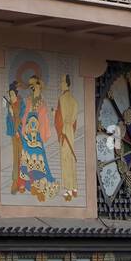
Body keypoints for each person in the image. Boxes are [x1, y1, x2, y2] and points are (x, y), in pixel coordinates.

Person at [18, 73, 58, 201]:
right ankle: (26, 184)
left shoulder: (42, 102)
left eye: (33, 85)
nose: (32, 87)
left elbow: (43, 119)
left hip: (37, 133)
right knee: (26, 159)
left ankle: (38, 184)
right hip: (28, 133)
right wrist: (23, 129)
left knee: (38, 158)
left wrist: (40, 131)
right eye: (30, 86)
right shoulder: (29, 99)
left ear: (39, 85)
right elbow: (25, 115)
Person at [54, 73, 79, 201]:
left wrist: (60, 132)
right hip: (70, 132)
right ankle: (74, 188)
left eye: (62, 82)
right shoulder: (74, 101)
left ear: (66, 83)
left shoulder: (62, 99)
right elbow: (75, 123)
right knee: (71, 159)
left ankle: (68, 190)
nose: (61, 84)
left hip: (64, 130)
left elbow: (58, 118)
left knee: (65, 161)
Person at [5, 81, 24, 193]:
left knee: (22, 158)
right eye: (10, 95)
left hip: (21, 134)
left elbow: (22, 119)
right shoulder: (10, 106)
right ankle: (15, 182)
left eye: (12, 95)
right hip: (14, 136)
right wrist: (10, 114)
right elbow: (9, 122)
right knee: (16, 159)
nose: (11, 97)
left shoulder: (21, 105)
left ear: (16, 95)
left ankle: (22, 182)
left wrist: (18, 130)